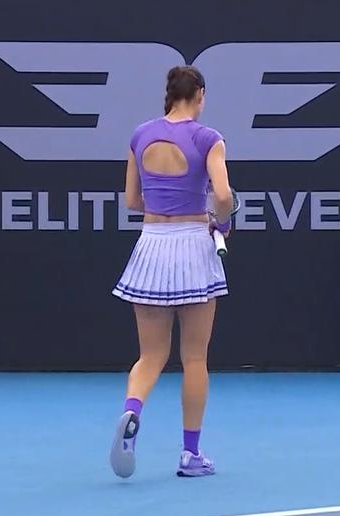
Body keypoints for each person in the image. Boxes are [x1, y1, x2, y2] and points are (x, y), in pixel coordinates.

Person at [109, 65, 233, 479]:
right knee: (194, 357)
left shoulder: (140, 136)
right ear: (199, 95)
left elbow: (132, 200)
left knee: (150, 356)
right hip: (193, 246)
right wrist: (221, 221)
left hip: (151, 246)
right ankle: (190, 454)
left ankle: (132, 411)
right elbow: (223, 195)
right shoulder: (208, 139)